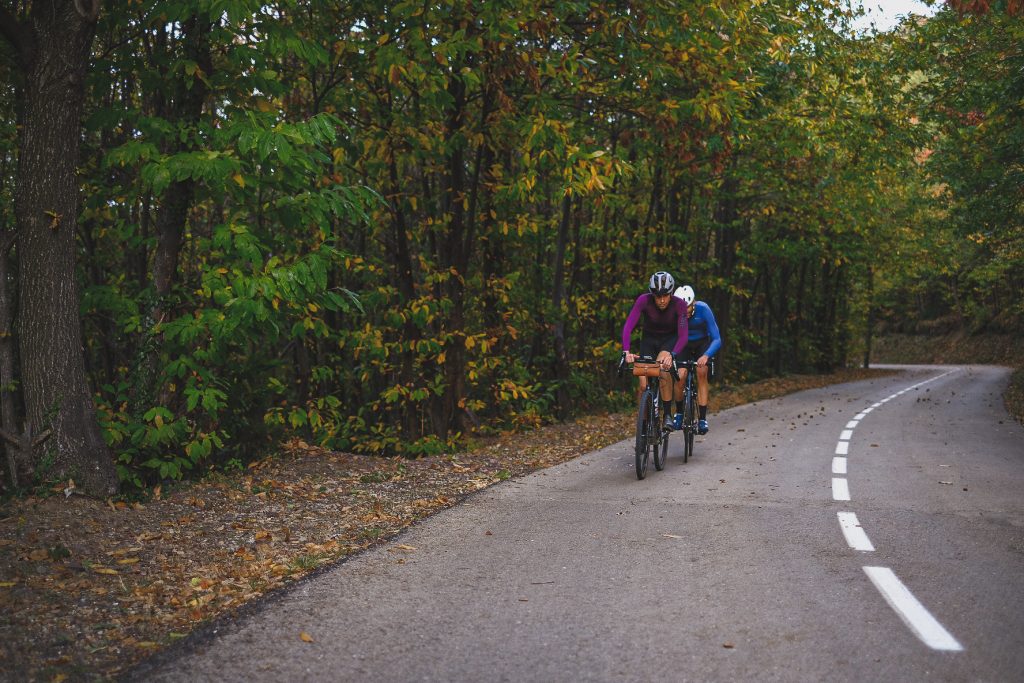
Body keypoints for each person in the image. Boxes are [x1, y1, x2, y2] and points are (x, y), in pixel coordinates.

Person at [622, 271, 689, 429]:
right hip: (649, 340)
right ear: (652, 294)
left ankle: (666, 414)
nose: (661, 300)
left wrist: (673, 355)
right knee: (643, 383)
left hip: (669, 341)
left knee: (663, 368)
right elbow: (628, 326)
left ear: (671, 293)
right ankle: (644, 424)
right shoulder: (643, 301)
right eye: (657, 296)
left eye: (665, 295)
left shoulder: (679, 305)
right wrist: (626, 351)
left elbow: (684, 335)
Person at [673, 284, 721, 434]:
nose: (685, 311)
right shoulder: (674, 313)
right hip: (683, 344)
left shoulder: (703, 309)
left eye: (687, 307)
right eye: (682, 308)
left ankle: (702, 418)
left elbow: (717, 339)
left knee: (701, 372)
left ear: (693, 303)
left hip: (702, 343)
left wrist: (706, 355)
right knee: (680, 376)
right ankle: (679, 413)